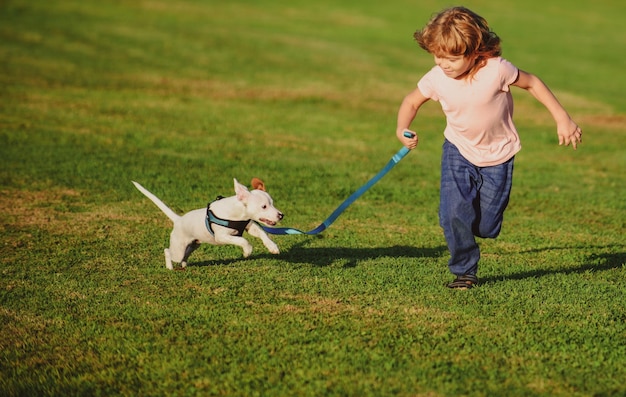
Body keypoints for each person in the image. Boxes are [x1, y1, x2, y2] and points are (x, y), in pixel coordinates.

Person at [396, 6, 582, 289]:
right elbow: (411, 101)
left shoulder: (497, 70)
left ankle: (472, 229)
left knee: (485, 226)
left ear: (474, 51)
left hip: (499, 154)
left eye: (453, 57)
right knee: (453, 214)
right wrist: (402, 129)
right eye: (438, 55)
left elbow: (532, 83)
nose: (444, 64)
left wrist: (562, 118)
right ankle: (464, 272)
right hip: (458, 149)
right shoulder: (436, 77)